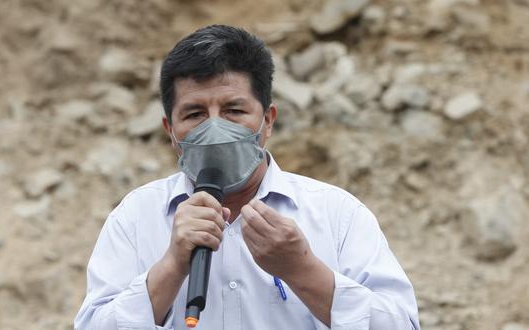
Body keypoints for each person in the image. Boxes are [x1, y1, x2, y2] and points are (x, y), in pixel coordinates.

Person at [75, 25, 420, 330]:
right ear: (171, 131)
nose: (214, 128)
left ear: (267, 120)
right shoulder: (135, 217)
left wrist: (302, 270)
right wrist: (171, 266)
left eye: (233, 111)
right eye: (195, 114)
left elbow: (400, 323)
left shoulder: (336, 214)